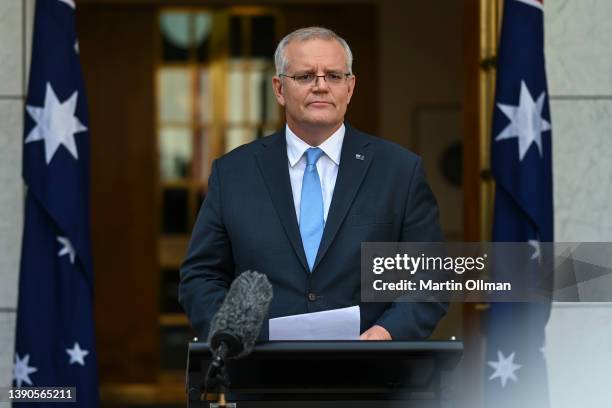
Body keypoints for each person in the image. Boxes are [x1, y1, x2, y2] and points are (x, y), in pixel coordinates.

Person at [179, 26, 446, 341]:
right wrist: (236, 333)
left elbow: (430, 277)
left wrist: (388, 332)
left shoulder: (400, 171)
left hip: (370, 375)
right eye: (305, 76)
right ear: (279, 89)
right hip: (261, 376)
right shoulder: (234, 173)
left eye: (333, 76)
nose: (321, 86)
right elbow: (200, 277)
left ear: (350, 87)